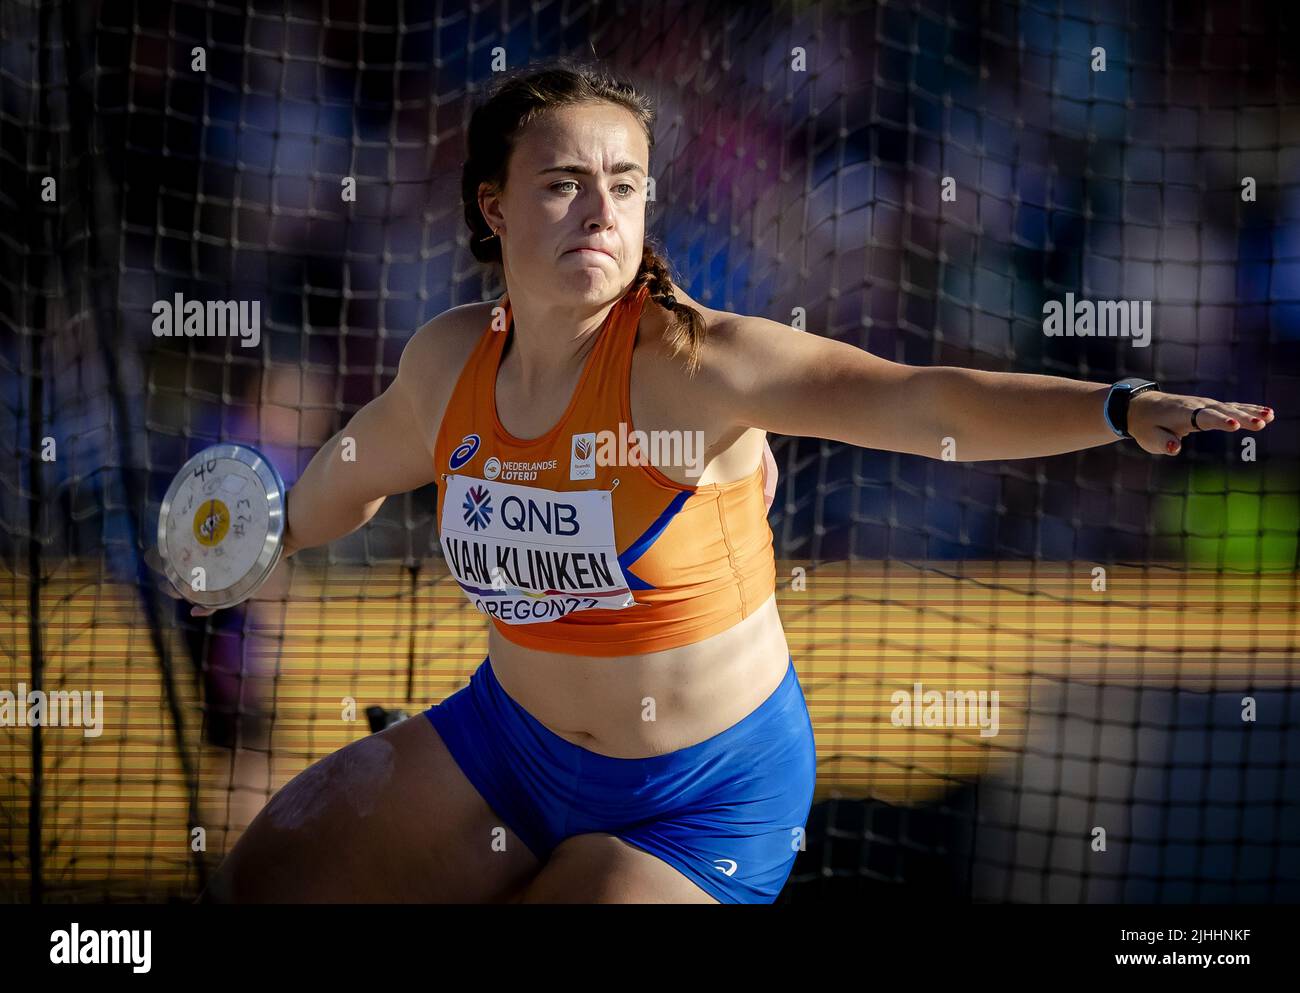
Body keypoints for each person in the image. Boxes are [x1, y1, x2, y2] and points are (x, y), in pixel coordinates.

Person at [198, 60, 1274, 904]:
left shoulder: (691, 364)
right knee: (267, 881)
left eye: (622, 184)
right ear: (493, 205)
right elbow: (347, 478)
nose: (598, 211)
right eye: (562, 182)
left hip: (698, 797)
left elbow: (927, 404)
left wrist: (1116, 408)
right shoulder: (447, 364)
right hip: (506, 745)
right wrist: (250, 537)